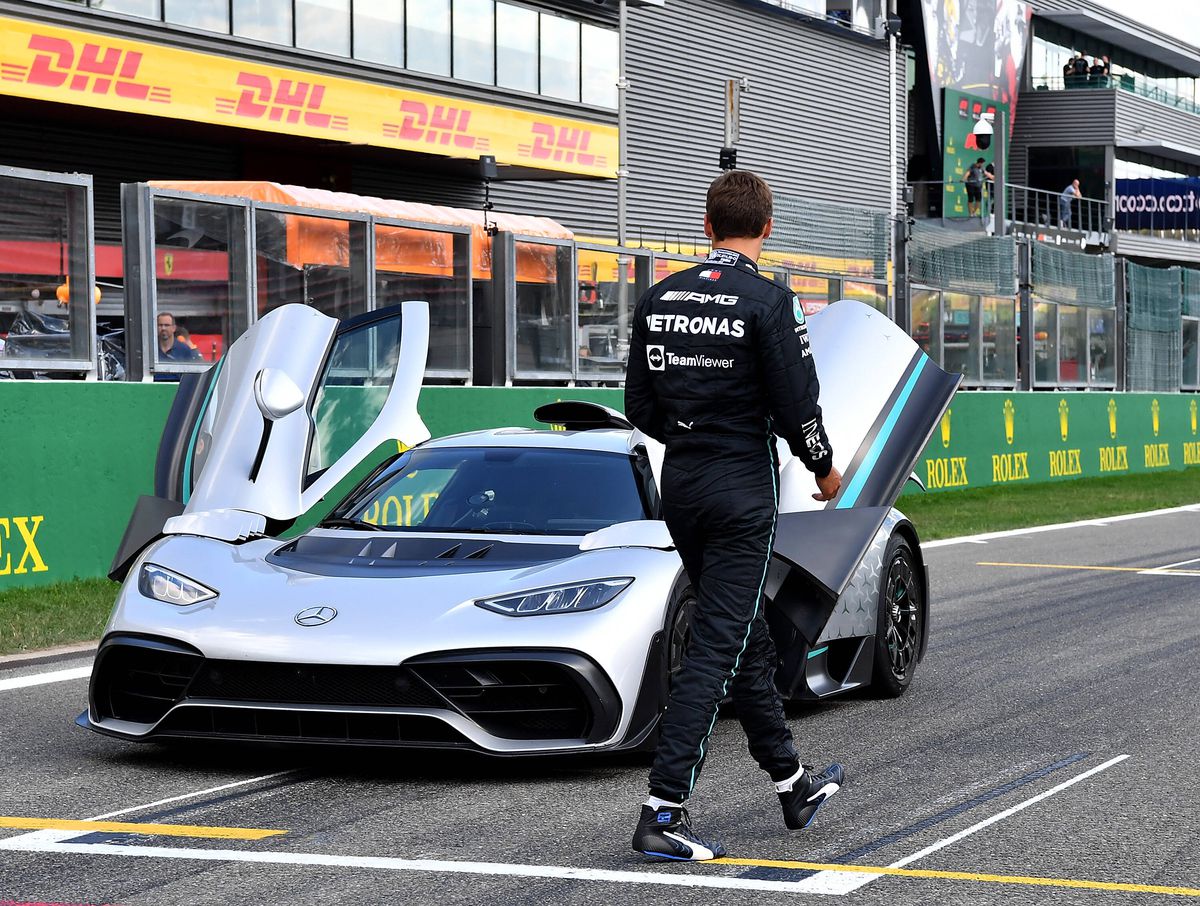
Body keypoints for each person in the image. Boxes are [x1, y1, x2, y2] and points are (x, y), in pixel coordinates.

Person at [624, 170, 845, 862]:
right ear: (767, 226)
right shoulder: (772, 302)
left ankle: (792, 784)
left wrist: (694, 435)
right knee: (718, 646)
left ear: (707, 223)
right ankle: (662, 810)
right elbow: (797, 405)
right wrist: (824, 469)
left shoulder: (658, 298)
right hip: (741, 492)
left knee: (742, 635)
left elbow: (639, 407)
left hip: (682, 486)